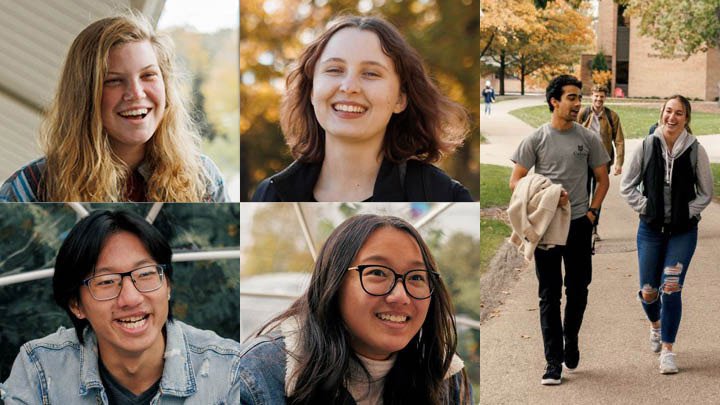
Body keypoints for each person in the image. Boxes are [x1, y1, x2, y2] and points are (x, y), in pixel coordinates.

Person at [0, 210, 241, 403]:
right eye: (106, 281)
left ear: (167, 285)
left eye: (145, 274)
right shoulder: (41, 368)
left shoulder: (229, 371)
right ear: (76, 304)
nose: (131, 298)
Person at [239, 214, 472, 404]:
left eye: (416, 277)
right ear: (333, 282)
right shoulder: (256, 376)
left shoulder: (444, 375)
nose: (401, 296)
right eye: (377, 273)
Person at [0, 13, 227, 202]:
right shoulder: (27, 191)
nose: (136, 93)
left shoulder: (204, 180)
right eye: (114, 80)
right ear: (84, 96)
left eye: (148, 75)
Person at [251, 15, 472, 202]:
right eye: (335, 69)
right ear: (311, 90)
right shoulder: (271, 195)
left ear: (400, 99)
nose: (349, 87)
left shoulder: (444, 195)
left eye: (371, 73)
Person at [509, 75, 610, 385]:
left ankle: (572, 339)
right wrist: (547, 194)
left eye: (579, 97)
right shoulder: (535, 139)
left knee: (578, 290)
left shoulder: (588, 138)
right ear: (554, 101)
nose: (577, 102)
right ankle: (553, 362)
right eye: (571, 97)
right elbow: (516, 182)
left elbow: (603, 180)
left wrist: (592, 213)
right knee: (549, 295)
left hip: (579, 225)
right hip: (549, 228)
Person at [619, 95, 713, 374]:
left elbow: (706, 192)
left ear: (687, 118)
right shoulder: (647, 146)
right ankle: (656, 326)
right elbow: (627, 186)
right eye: (668, 111)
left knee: (670, 287)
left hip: (682, 233)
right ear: (661, 113)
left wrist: (688, 212)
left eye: (679, 113)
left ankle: (668, 351)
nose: (672, 118)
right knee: (649, 291)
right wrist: (648, 207)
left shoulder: (696, 150)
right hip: (650, 231)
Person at [577, 84, 625, 240]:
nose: (598, 99)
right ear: (591, 96)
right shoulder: (583, 113)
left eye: (602, 96)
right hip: (583, 161)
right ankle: (582, 226)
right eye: (596, 96)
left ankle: (593, 229)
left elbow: (619, 140)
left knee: (598, 195)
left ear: (605, 97)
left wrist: (619, 163)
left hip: (602, 162)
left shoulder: (612, 116)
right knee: (583, 194)